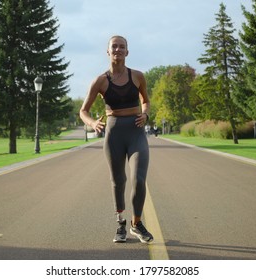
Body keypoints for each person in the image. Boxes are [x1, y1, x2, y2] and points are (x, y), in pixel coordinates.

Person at [79, 35, 153, 244]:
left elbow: (145, 101)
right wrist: (93, 123)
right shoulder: (100, 81)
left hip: (136, 131)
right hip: (113, 134)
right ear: (108, 51)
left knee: (139, 180)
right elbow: (83, 111)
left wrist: (145, 114)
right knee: (118, 181)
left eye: (122, 47)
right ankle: (120, 223)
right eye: (114, 46)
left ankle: (136, 224)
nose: (118, 50)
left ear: (127, 52)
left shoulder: (138, 76)